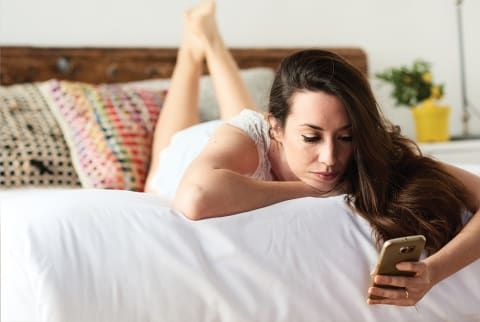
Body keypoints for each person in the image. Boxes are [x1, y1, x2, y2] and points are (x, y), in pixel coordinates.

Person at [145, 0, 480, 307]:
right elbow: (196, 197)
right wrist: (316, 189)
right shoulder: (252, 134)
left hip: (261, 142)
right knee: (175, 145)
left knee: (243, 117)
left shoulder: (364, 147)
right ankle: (193, 50)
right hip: (197, 150)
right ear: (276, 127)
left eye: (346, 137)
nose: (330, 158)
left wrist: (434, 271)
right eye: (312, 138)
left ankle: (210, 41)